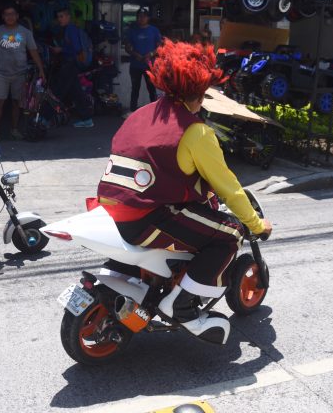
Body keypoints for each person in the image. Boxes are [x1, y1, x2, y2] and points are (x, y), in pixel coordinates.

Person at [97, 40, 273, 343]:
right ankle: (183, 306)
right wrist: (257, 225)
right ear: (202, 92)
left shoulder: (141, 114)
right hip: (147, 218)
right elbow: (228, 187)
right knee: (230, 235)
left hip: (107, 210)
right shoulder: (196, 131)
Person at [0, 4, 46, 141]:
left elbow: (33, 51)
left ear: (17, 16)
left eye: (12, 14)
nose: (10, 17)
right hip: (1, 74)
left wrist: (41, 69)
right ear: (3, 17)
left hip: (20, 73)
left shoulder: (25, 32)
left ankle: (14, 129)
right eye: (6, 14)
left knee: (17, 103)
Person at [50, 7, 94, 128]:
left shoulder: (70, 29)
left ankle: (44, 118)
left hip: (70, 64)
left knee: (58, 91)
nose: (60, 19)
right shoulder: (69, 29)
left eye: (62, 16)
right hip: (72, 64)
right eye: (58, 17)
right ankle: (87, 119)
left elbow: (77, 49)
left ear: (69, 17)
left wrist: (61, 50)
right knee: (77, 93)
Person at [124, 6, 162, 116]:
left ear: (148, 18)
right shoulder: (132, 31)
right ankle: (132, 111)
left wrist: (151, 54)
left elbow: (160, 47)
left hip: (149, 65)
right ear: (137, 18)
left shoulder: (154, 30)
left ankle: (155, 113)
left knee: (151, 89)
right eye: (139, 16)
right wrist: (135, 54)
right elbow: (127, 47)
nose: (142, 18)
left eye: (144, 17)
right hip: (135, 65)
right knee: (135, 89)